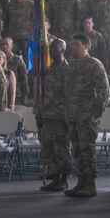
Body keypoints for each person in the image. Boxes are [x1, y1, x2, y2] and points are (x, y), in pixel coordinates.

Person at [63, 33, 108, 198]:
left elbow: (103, 91)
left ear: (86, 46)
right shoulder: (71, 66)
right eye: (72, 44)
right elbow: (67, 92)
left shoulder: (94, 65)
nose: (73, 47)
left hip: (87, 115)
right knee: (76, 150)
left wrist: (96, 113)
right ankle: (81, 180)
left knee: (87, 149)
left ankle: (90, 183)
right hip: (73, 115)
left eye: (76, 44)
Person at [37, 39, 72, 191]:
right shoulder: (48, 69)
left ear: (63, 50)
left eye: (55, 47)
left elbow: (70, 95)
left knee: (62, 149)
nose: (51, 50)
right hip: (48, 115)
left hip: (60, 116)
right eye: (50, 47)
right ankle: (54, 178)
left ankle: (64, 179)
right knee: (49, 148)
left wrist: (68, 117)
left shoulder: (67, 70)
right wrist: (38, 113)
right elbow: (42, 94)